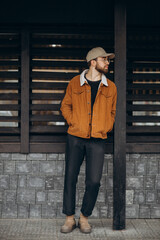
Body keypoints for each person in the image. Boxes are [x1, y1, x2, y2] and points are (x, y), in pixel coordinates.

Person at [60, 47, 117, 234]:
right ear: (93, 62)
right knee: (70, 177)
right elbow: (65, 106)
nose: (108, 63)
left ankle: (84, 217)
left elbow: (112, 112)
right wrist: (73, 121)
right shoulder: (74, 83)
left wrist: (106, 126)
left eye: (108, 60)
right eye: (104, 59)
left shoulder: (111, 87)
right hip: (75, 137)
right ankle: (69, 218)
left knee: (94, 181)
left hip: (98, 139)